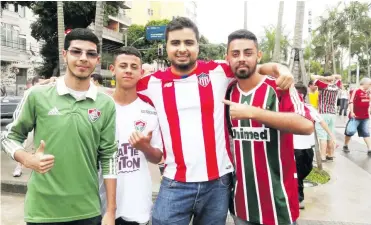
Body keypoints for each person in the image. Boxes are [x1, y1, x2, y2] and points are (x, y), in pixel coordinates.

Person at [137, 17, 295, 225]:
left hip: (218, 183)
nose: (182, 49)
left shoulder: (219, 71)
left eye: (188, 43)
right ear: (165, 47)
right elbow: (121, 92)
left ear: (198, 46)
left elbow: (252, 65)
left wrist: (280, 69)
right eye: (175, 43)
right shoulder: (150, 83)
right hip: (175, 183)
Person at [1, 28, 117, 225]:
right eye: (76, 52)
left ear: (97, 60)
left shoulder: (105, 103)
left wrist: (111, 211)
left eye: (90, 54)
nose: (83, 58)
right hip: (42, 211)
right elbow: (9, 137)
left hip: (88, 210)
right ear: (65, 55)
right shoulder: (37, 95)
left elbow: (109, 157)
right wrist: (27, 160)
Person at [223, 29, 313, 225]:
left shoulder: (279, 86)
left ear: (258, 55)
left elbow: (306, 125)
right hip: (242, 203)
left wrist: (254, 113)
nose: (241, 59)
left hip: (278, 202)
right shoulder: (228, 90)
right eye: (235, 54)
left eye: (248, 53)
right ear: (227, 58)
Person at [99, 47, 163, 225]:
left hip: (136, 205)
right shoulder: (99, 107)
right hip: (99, 203)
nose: (128, 70)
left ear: (141, 72)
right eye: (123, 65)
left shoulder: (149, 111)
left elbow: (158, 157)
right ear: (113, 69)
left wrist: (145, 147)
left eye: (134, 67)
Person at [294, 83, 335, 210]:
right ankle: (298, 198)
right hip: (293, 147)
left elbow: (321, 122)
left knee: (306, 169)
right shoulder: (287, 108)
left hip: (307, 146)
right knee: (297, 173)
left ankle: (295, 190)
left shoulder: (309, 108)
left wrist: (331, 136)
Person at [311, 72, 342, 161]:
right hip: (332, 113)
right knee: (330, 135)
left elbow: (313, 76)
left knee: (322, 136)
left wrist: (324, 78)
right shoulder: (336, 86)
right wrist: (332, 77)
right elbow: (339, 77)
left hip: (323, 113)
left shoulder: (323, 85)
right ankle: (331, 154)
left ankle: (323, 156)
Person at [343, 77, 371, 155]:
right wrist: (352, 112)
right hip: (355, 116)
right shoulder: (355, 91)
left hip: (365, 116)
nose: (370, 86)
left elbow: (369, 102)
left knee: (366, 133)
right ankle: (345, 145)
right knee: (350, 131)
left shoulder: (368, 92)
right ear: (364, 83)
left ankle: (369, 149)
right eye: (369, 84)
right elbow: (351, 101)